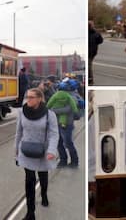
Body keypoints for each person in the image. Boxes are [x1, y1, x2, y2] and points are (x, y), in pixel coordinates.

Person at [15, 88, 59, 220]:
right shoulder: (22, 112)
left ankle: (44, 194)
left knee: (43, 176)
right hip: (26, 151)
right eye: (27, 97)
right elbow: (18, 132)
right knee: (29, 181)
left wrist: (51, 150)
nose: (28, 99)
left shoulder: (49, 114)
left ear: (39, 98)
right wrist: (16, 149)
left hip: (43, 152)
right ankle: (30, 212)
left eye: (31, 97)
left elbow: (53, 134)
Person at [47, 81, 80, 168]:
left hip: (67, 124)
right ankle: (63, 160)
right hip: (57, 123)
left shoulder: (73, 96)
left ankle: (74, 161)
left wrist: (54, 110)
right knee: (59, 143)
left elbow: (68, 109)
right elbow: (51, 102)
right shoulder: (59, 95)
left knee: (68, 143)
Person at [88, 21, 103, 86]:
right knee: (89, 65)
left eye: (90, 25)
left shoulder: (96, 33)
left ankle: (91, 80)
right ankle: (90, 80)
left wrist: (95, 43)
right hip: (90, 51)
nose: (90, 26)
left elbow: (101, 41)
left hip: (92, 52)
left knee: (89, 65)